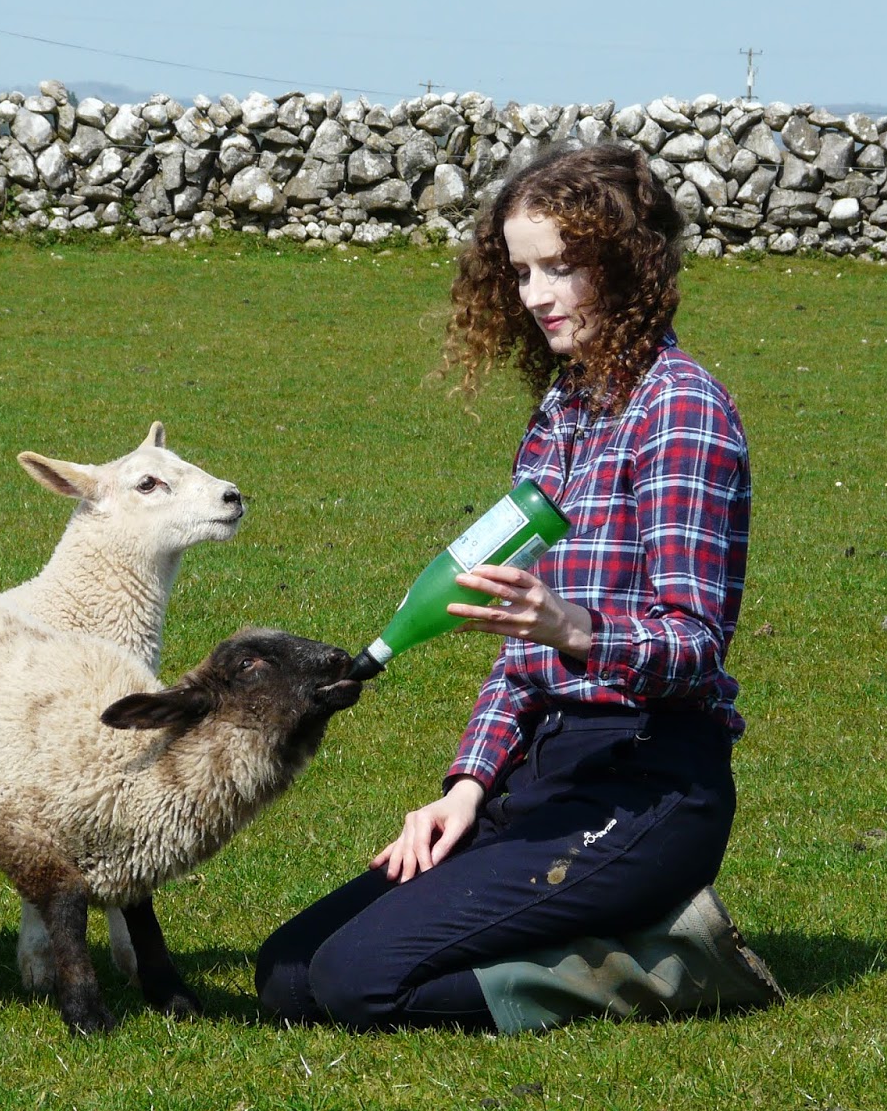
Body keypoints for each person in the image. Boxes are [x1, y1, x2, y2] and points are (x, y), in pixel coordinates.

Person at [256, 143, 782, 1033]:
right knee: (290, 971)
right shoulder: (560, 415)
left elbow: (694, 645)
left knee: (356, 983)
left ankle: (671, 963)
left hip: (649, 783)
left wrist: (574, 626)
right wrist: (466, 786)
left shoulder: (681, 410)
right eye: (522, 271)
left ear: (628, 262)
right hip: (543, 773)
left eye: (561, 267)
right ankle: (559, 912)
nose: (537, 294)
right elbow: (517, 649)